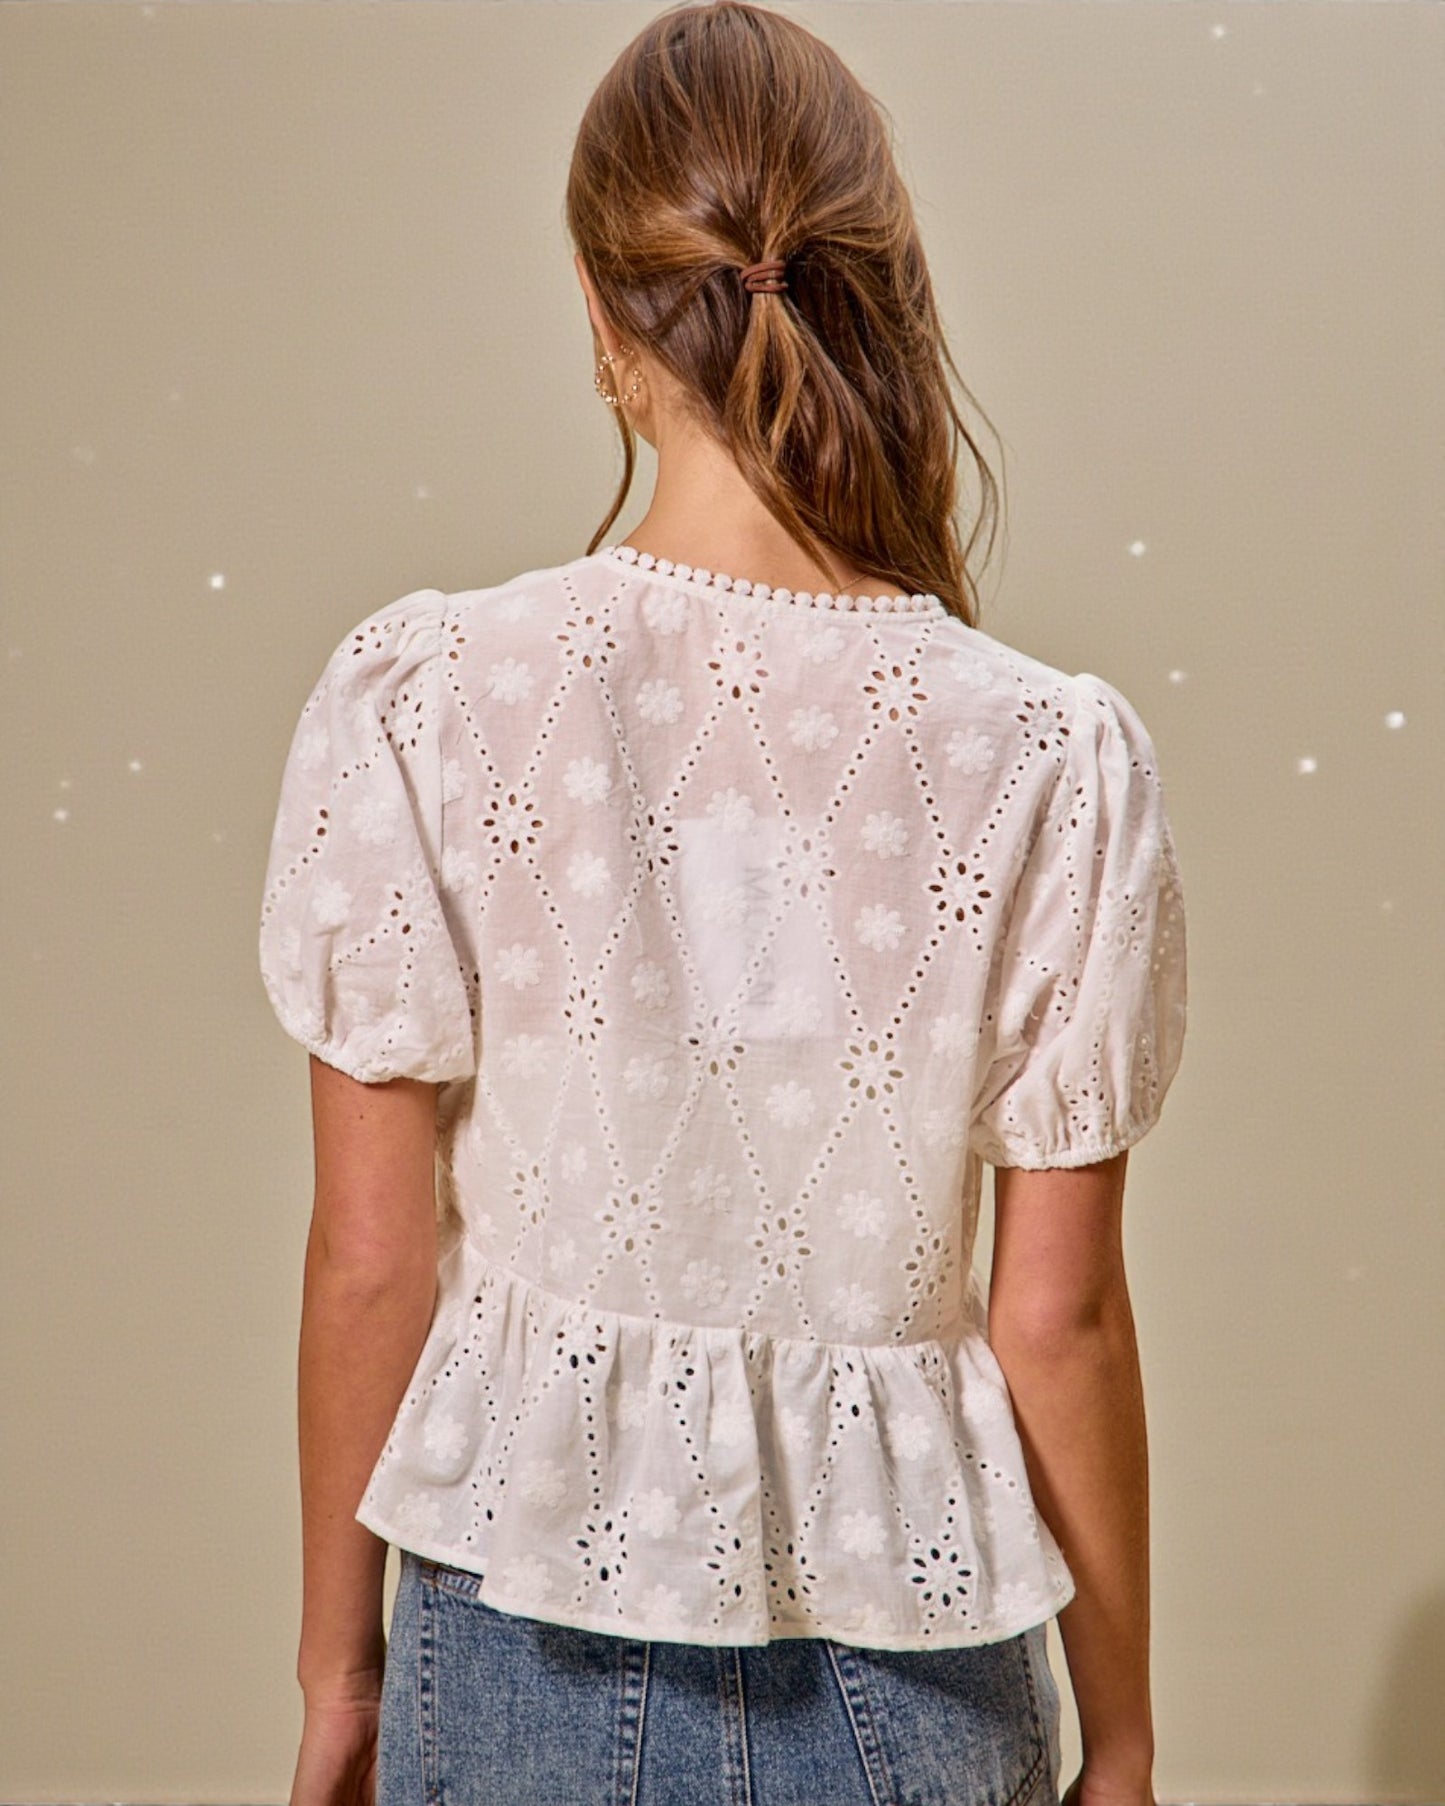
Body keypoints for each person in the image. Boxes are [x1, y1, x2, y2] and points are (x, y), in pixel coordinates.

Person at [258, 4, 1188, 1803]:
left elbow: (371, 1253)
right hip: (920, 1656)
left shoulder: (438, 692)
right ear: (873, 293)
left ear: (605, 322)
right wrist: (1127, 1732)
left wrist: (335, 1676)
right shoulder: (1046, 755)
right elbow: (1054, 1318)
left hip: (510, 1615)